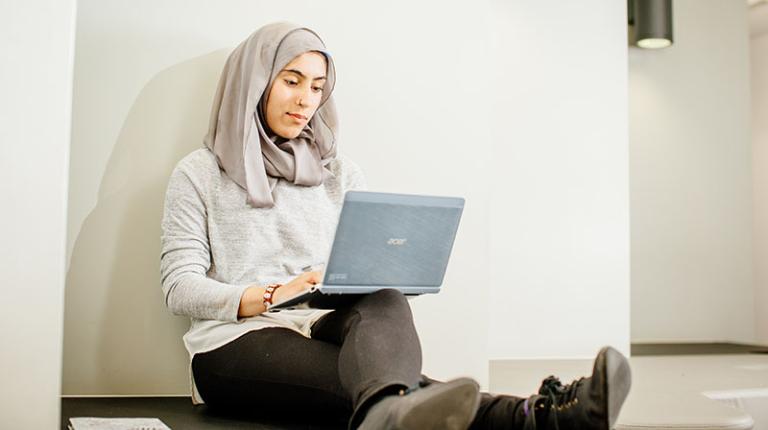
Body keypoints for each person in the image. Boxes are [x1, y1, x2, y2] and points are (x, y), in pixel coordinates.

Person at [160, 22, 632, 430]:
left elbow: (360, 269)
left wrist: (372, 272)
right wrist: (270, 294)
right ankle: (547, 416)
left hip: (320, 323)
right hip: (236, 345)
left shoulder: (339, 173)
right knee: (386, 388)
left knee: (383, 309)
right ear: (256, 81)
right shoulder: (199, 173)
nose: (307, 99)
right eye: (292, 80)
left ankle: (392, 415)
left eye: (318, 86)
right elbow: (179, 287)